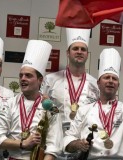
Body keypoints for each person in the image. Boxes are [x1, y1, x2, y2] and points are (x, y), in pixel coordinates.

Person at [0, 40, 62, 160]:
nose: (23, 79)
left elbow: (54, 146)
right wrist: (22, 144)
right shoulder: (9, 104)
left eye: (28, 75)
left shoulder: (51, 108)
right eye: (21, 75)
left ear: (40, 80)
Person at [40, 28, 99, 159]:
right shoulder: (51, 80)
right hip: (54, 147)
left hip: (83, 148)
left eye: (83, 49)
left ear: (87, 54)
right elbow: (39, 112)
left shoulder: (96, 84)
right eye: (75, 48)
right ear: (68, 53)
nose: (79, 52)